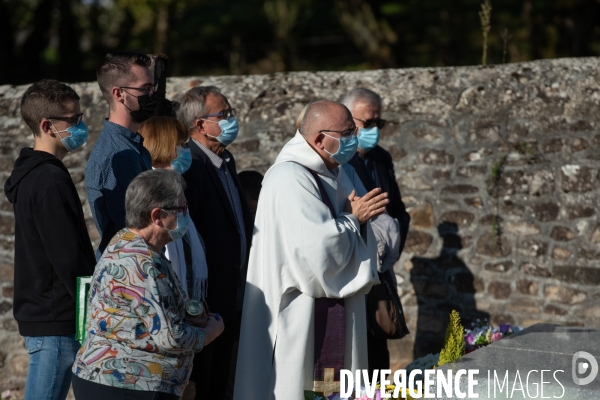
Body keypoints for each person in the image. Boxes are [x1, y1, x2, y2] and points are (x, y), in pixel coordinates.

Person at [234, 100, 388, 400]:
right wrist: (354, 219)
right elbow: (317, 253)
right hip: (300, 307)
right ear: (319, 139)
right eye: (347, 133)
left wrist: (358, 221)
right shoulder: (289, 178)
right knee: (297, 383)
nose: (353, 140)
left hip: (338, 304)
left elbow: (350, 229)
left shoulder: (339, 173)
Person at [72, 169, 224, 400]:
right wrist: (209, 333)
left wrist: (189, 318)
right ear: (157, 216)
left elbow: (148, 315)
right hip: (127, 384)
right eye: (181, 208)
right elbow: (171, 337)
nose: (186, 214)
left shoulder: (125, 241)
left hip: (116, 381)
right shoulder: (144, 263)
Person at [3, 79, 96, 400]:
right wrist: (92, 311)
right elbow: (67, 256)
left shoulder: (38, 173)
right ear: (47, 125)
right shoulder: (48, 178)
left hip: (49, 314)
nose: (81, 126)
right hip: (56, 318)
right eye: (73, 120)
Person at [177, 86, 254, 400]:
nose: (231, 119)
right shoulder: (190, 165)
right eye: (223, 115)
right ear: (199, 125)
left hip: (234, 292)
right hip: (208, 300)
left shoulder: (226, 159)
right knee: (205, 381)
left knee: (227, 379)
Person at [342, 88, 411, 371]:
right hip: (355, 265)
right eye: (367, 123)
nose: (373, 130)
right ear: (349, 121)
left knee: (379, 353)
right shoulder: (340, 161)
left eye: (378, 123)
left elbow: (398, 211)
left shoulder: (381, 157)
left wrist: (389, 249)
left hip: (381, 268)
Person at [86, 51, 155, 259]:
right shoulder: (119, 154)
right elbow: (136, 230)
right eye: (145, 89)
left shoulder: (132, 144)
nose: (152, 95)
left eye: (153, 88)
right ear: (119, 94)